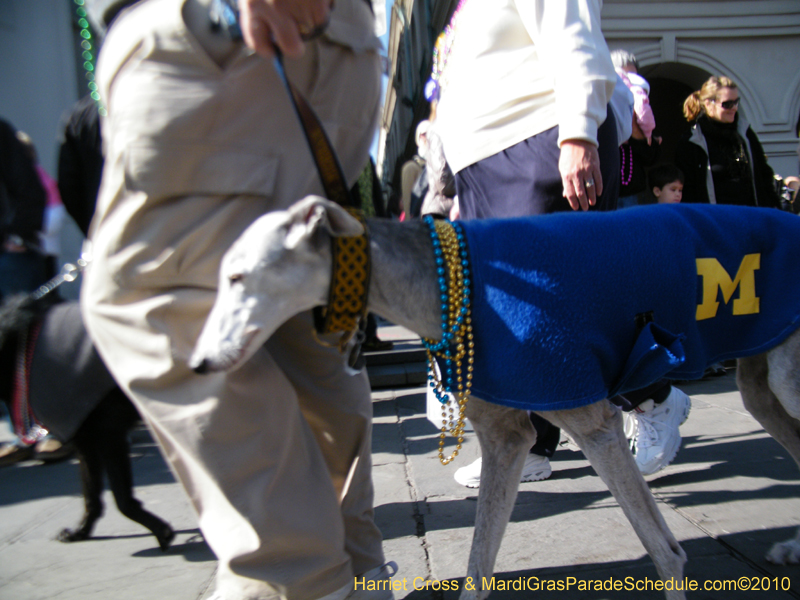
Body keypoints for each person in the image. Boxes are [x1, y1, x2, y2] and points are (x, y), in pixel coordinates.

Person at [80, 1, 394, 599]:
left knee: (154, 302)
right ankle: (355, 572)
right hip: (333, 51)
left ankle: (297, 581)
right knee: (295, 323)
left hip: (230, 40)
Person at [429, 0, 621, 487]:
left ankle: (655, 398)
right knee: (505, 320)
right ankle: (528, 445)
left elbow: (573, 33)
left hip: (537, 143)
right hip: (485, 167)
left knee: (553, 311)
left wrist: (579, 134)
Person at [676, 75, 780, 209]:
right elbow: (688, 191)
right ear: (708, 104)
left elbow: (764, 175)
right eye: (727, 104)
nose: (734, 108)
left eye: (736, 102)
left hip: (751, 217)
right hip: (716, 220)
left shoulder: (745, 133)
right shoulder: (692, 141)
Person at [610, 49, 661, 208]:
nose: (628, 84)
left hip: (634, 196)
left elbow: (650, 158)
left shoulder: (642, 111)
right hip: (606, 193)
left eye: (633, 77)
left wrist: (635, 126)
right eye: (623, 77)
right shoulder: (601, 107)